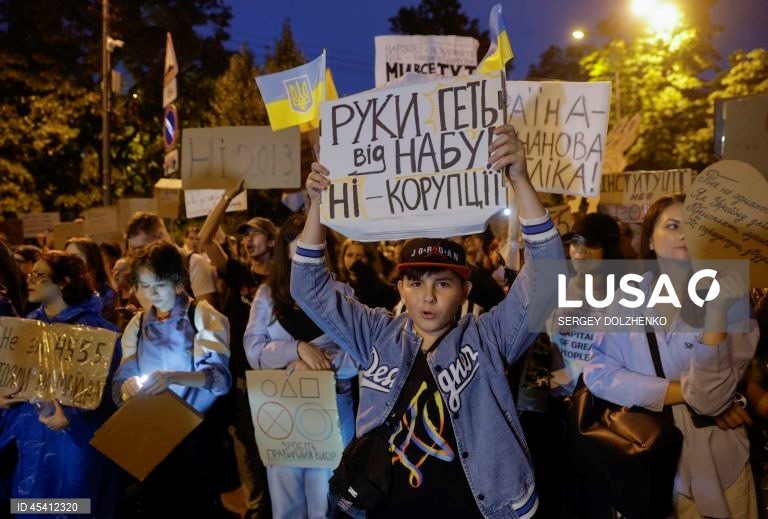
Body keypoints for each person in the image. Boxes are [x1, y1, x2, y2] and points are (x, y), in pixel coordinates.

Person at [291, 123, 563, 517]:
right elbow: (307, 287)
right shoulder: (376, 332)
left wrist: (519, 179)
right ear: (399, 287)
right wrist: (317, 204)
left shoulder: (488, 336)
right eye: (415, 282)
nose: (428, 296)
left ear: (465, 291)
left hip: (479, 507)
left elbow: (548, 273)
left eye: (444, 283)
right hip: (388, 507)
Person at [583, 194, 759, 518]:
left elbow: (711, 401)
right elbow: (597, 372)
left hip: (723, 471)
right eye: (673, 225)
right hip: (652, 471)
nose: (684, 234)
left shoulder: (733, 301)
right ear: (649, 238)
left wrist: (716, 312)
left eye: (694, 227)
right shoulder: (624, 300)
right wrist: (674, 393)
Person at [243, 213, 357, 519]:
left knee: (327, 498)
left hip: (331, 408)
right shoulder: (267, 295)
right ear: (286, 250)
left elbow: (358, 354)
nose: (306, 252)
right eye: (299, 245)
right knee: (286, 501)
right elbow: (253, 351)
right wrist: (296, 351)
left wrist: (323, 366)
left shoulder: (342, 294)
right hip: (281, 408)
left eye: (314, 244)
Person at [112, 241, 232, 517]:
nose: (152, 293)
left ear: (178, 282)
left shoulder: (203, 316)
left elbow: (219, 379)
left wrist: (174, 377)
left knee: (197, 506)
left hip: (197, 436)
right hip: (152, 435)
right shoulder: (137, 325)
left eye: (160, 284)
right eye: (145, 285)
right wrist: (128, 387)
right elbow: (121, 383)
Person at [0, 252, 121, 518]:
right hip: (30, 445)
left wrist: (72, 418)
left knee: (75, 507)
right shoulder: (26, 329)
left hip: (74, 449)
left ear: (63, 283)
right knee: (31, 507)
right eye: (30, 275)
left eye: (40, 276)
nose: (30, 280)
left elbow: (112, 396)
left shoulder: (97, 334)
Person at [199, 181, 277, 518]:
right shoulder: (238, 274)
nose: (248, 239)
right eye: (244, 234)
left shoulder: (284, 280)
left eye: (255, 233)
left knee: (278, 462)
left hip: (277, 383)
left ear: (272, 240)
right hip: (244, 386)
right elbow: (204, 241)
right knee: (249, 465)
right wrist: (226, 197)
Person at [124, 211, 218, 309]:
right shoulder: (140, 270)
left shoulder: (194, 264)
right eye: (133, 249)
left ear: (160, 236)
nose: (136, 254)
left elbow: (207, 316)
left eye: (141, 248)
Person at [65, 237, 118, 325]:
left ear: (92, 259)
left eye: (76, 257)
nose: (70, 262)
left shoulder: (106, 293)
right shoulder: (62, 290)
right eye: (66, 257)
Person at [337, 239, 398, 310]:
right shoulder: (339, 285)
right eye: (349, 255)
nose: (354, 260)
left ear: (369, 258)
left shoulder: (381, 289)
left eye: (359, 256)